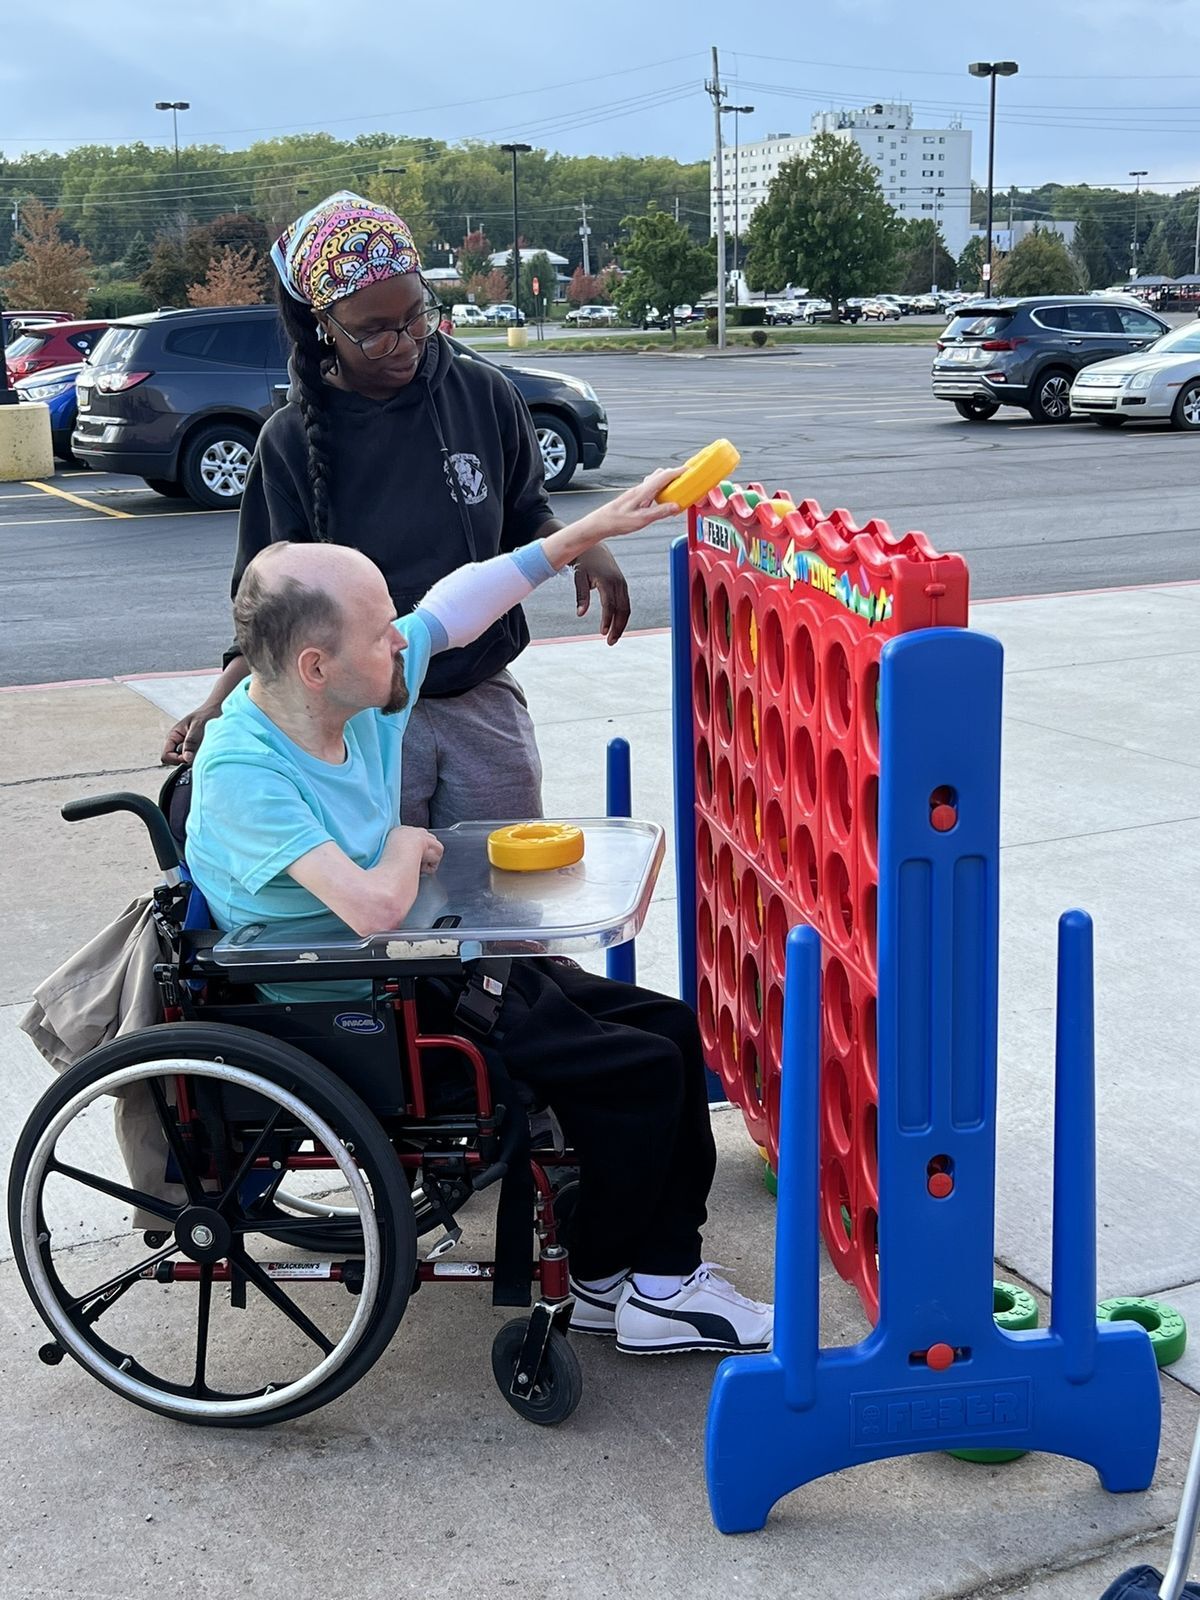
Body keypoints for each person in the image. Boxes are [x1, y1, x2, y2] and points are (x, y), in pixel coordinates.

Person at [185, 477, 773, 1357]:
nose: (402, 636)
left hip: (417, 970)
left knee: (668, 1028)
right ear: (316, 663)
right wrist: (407, 838)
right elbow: (374, 906)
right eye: (382, 627)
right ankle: (645, 1279)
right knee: (636, 1071)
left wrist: (588, 531)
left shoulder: (360, 695)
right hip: (352, 1007)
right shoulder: (245, 770)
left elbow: (457, 606)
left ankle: (627, 1282)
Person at [163, 190, 631, 831]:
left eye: (417, 317)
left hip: (481, 700)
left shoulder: (485, 396)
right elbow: (267, 610)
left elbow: (527, 512)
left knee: (509, 905)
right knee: (367, 913)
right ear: (325, 324)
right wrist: (218, 702)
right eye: (377, 331)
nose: (406, 342)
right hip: (360, 723)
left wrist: (584, 545)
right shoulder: (289, 441)